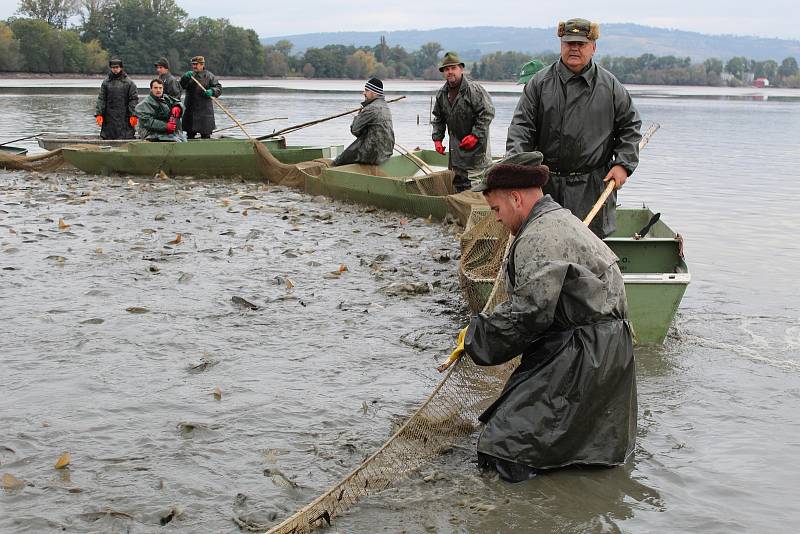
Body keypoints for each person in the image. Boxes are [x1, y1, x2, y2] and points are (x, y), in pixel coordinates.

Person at [438, 152, 637, 483]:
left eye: (497, 210)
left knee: (501, 448)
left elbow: (528, 314)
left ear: (516, 198)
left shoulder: (538, 237)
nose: (497, 219)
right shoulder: (558, 219)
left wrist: (476, 337)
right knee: (565, 443)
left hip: (588, 354)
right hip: (600, 347)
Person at [505, 18, 642, 238]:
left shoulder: (610, 86)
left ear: (593, 47)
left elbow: (630, 127)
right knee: (544, 245)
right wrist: (517, 172)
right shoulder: (539, 84)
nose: (574, 48)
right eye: (569, 43)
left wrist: (624, 165)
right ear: (561, 45)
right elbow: (521, 129)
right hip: (545, 187)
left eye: (581, 44)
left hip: (593, 188)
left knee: (589, 255)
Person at [431, 51, 495, 192]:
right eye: (447, 69)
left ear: (461, 69)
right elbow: (438, 119)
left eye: (453, 68)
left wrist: (475, 135)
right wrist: (437, 139)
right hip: (455, 154)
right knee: (458, 188)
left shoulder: (473, 90)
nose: (450, 72)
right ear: (443, 72)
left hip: (476, 155)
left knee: (477, 190)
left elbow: (487, 113)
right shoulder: (442, 94)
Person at [332, 78, 395, 166]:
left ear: (375, 92)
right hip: (386, 152)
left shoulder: (371, 108)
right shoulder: (385, 106)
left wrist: (359, 114)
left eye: (366, 90)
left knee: (338, 161)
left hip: (373, 154)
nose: (363, 93)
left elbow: (355, 130)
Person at [94, 58, 138, 140]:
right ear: (111, 68)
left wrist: (133, 114)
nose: (115, 69)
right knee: (108, 135)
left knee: (126, 136)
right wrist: (99, 113)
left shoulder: (129, 83)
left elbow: (133, 100)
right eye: (113, 67)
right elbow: (101, 99)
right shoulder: (106, 82)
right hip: (109, 116)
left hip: (124, 116)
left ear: (121, 68)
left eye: (117, 67)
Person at [179, 56, 222, 139]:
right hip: (190, 113)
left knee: (206, 136)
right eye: (193, 64)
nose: (194, 66)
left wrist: (212, 91)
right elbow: (180, 86)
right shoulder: (189, 76)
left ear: (202, 64)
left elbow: (219, 88)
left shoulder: (209, 76)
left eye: (196, 64)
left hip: (205, 114)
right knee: (190, 136)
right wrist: (184, 78)